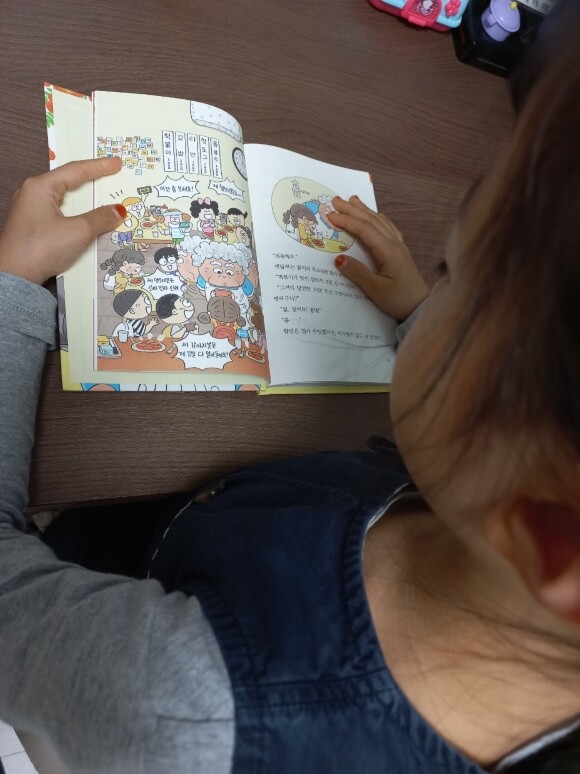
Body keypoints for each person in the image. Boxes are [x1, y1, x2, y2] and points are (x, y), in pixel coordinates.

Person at [1, 6, 580, 773]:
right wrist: (422, 315)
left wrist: (11, 290)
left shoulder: (179, 704)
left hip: (85, 607)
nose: (436, 285)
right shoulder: (514, 520)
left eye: (453, 276)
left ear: (549, 541)